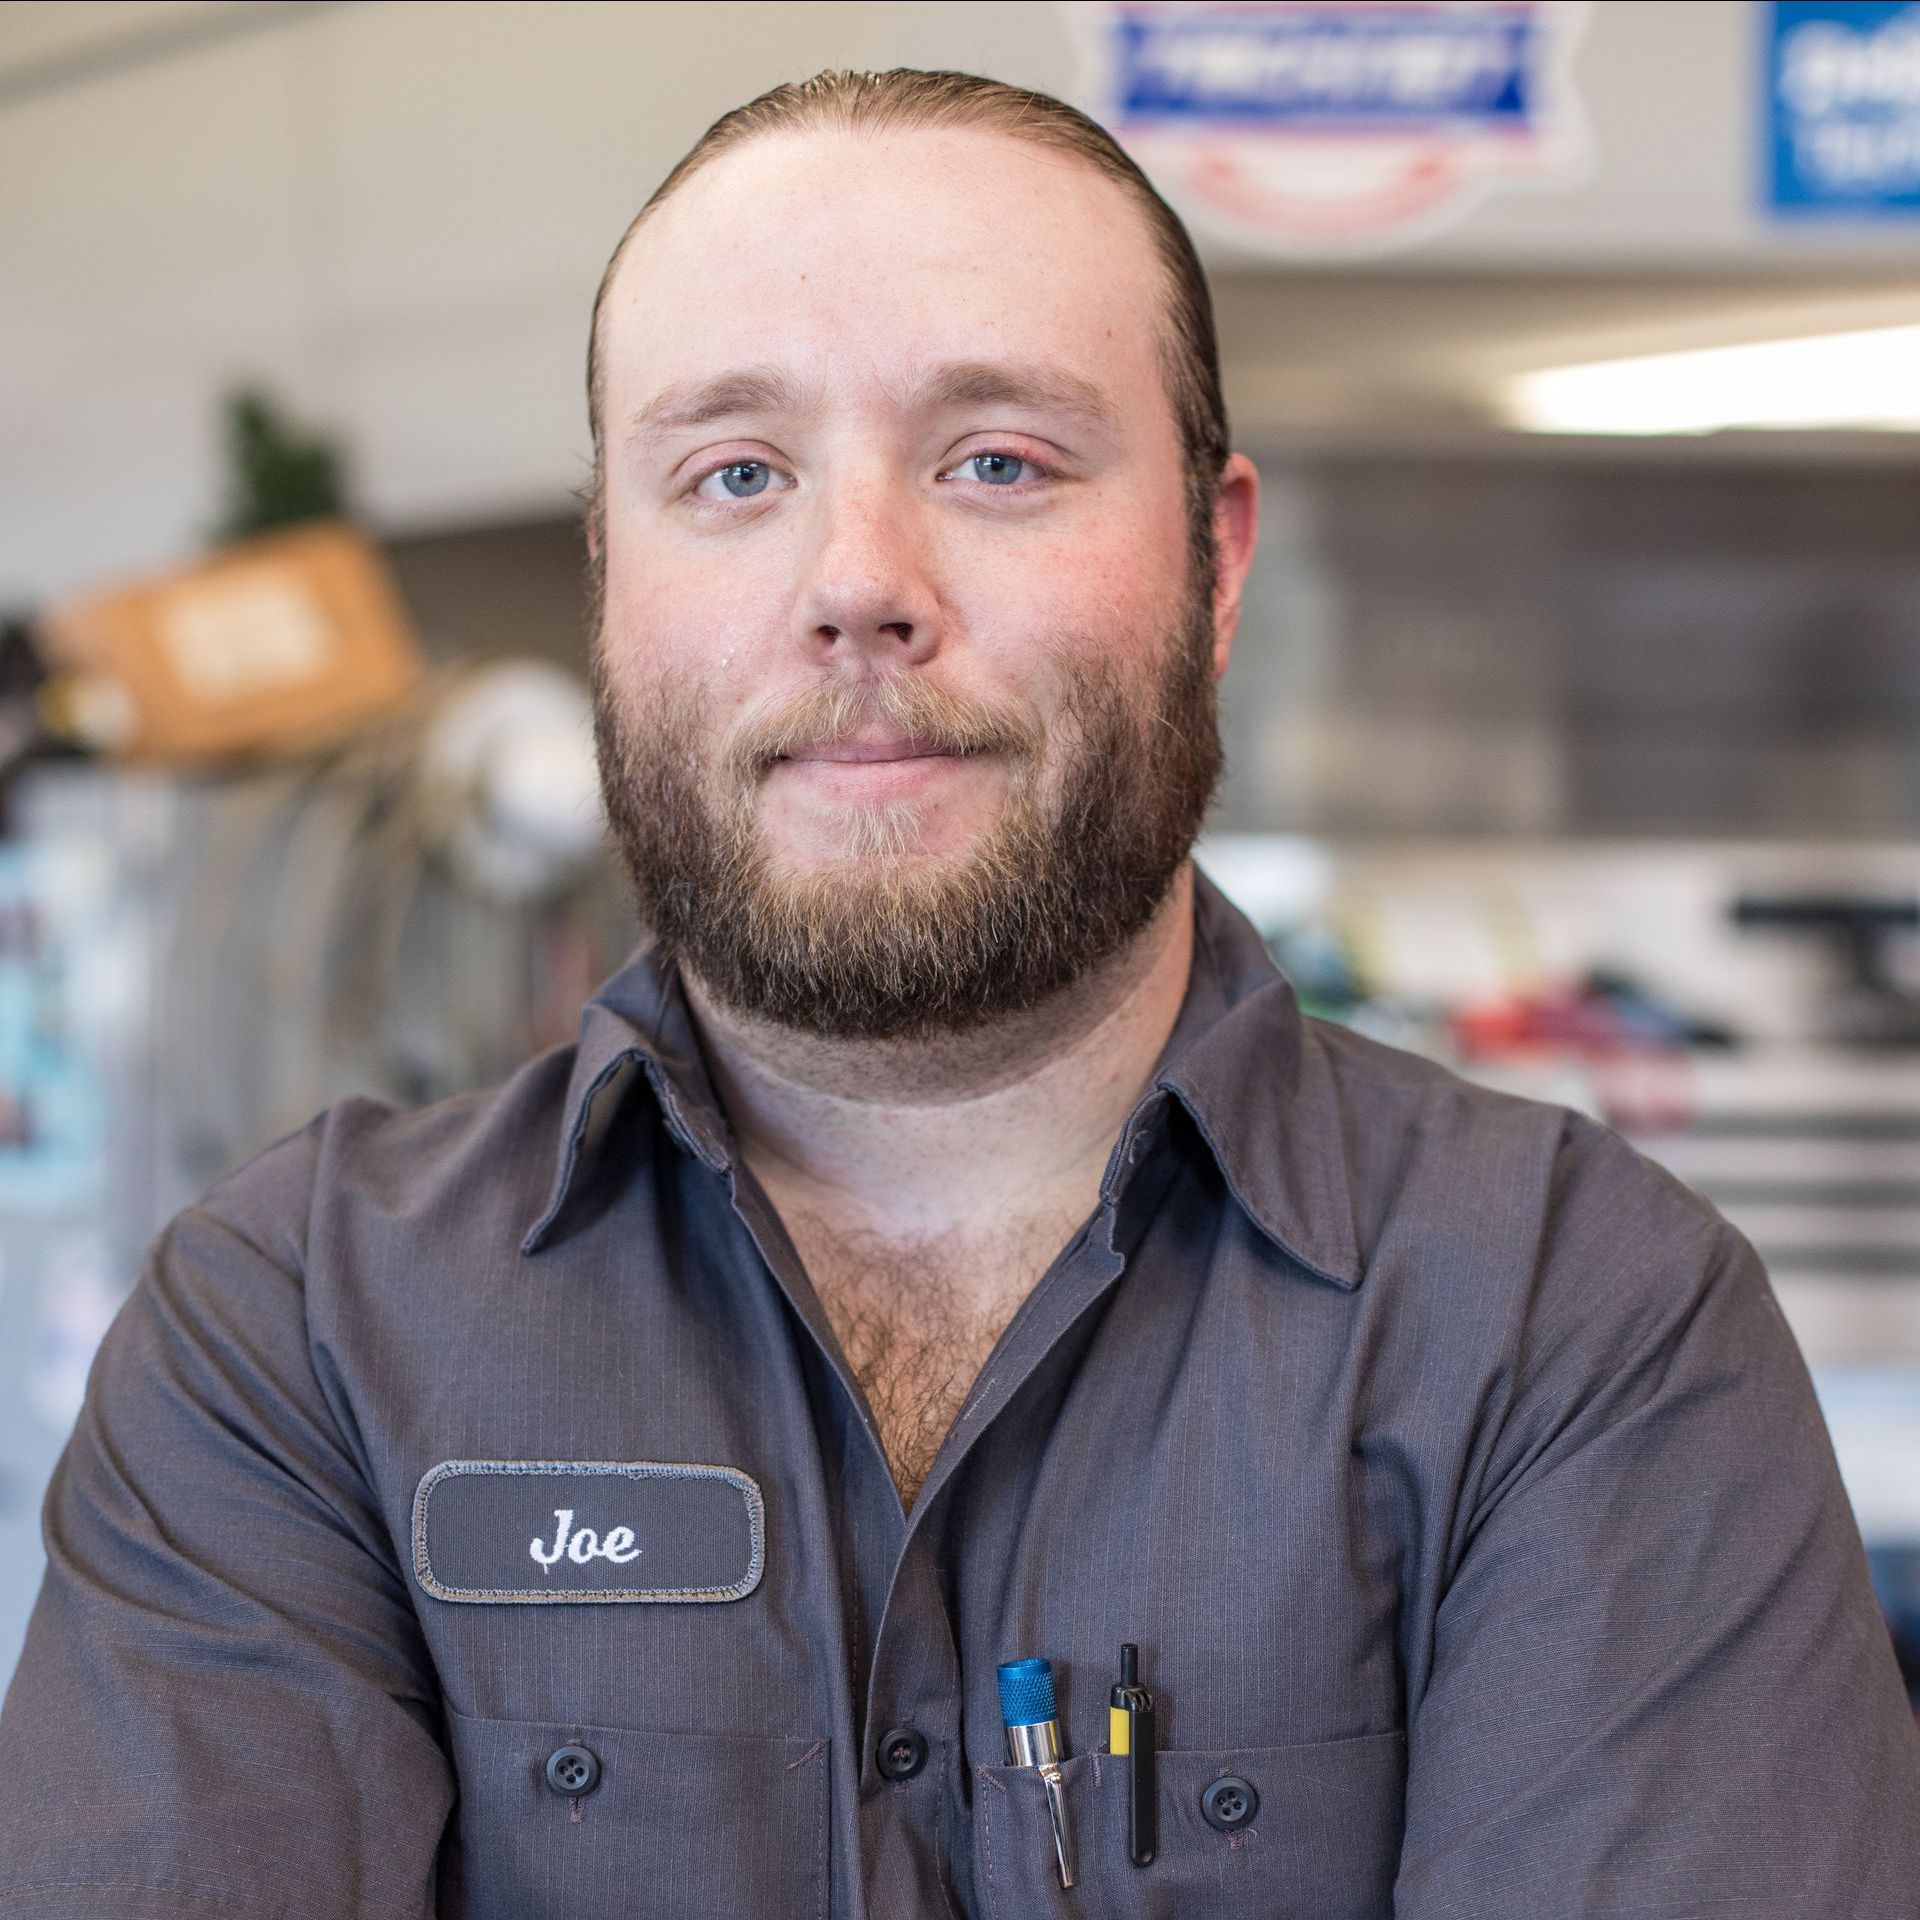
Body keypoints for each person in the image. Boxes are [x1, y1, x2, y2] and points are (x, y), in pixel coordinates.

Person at [2, 66, 1917, 1920]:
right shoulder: (296, 1339)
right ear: (612, 577)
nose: (858, 581)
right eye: (734, 471)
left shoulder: (1579, 1330)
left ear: (1215, 564)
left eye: (998, 461)